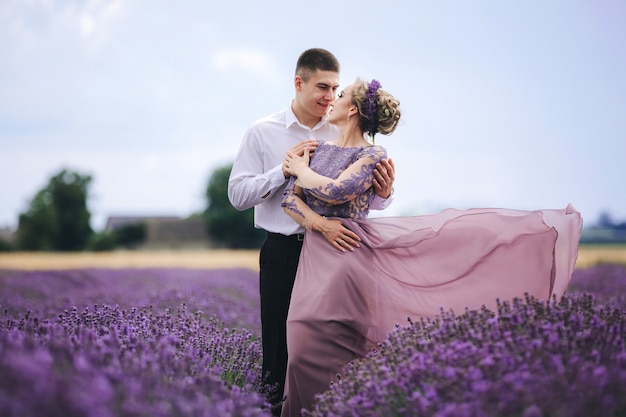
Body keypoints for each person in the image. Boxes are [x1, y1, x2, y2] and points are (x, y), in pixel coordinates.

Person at [279, 78, 583, 416]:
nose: (332, 100)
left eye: (340, 94)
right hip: (315, 254)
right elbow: (290, 201)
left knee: (336, 349)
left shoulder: (372, 153)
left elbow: (339, 190)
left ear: (352, 109)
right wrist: (319, 223)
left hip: (347, 258)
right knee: (300, 350)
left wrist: (302, 171)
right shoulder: (316, 149)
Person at [227, 48, 395, 416]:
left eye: (336, 88)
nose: (330, 96)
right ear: (298, 82)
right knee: (280, 350)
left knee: (336, 346)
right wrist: (284, 171)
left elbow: (359, 198)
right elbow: (238, 196)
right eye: (323, 87)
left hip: (337, 253)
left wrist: (384, 193)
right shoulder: (262, 132)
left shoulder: (338, 131)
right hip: (285, 251)